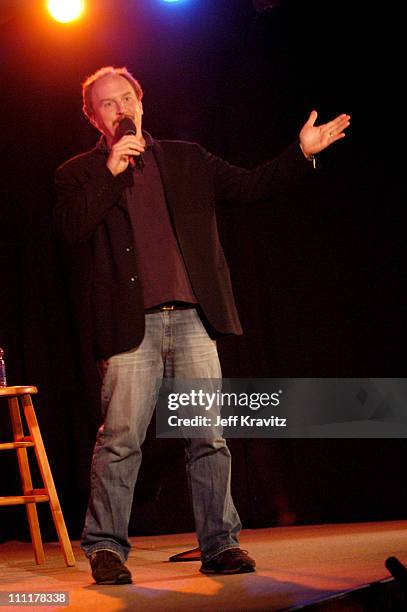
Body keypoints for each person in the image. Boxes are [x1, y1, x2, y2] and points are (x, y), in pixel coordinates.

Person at [54, 65, 350, 585]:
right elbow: (71, 229)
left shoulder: (187, 158)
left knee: (207, 436)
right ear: (93, 117)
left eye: (128, 98)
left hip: (192, 320)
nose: (121, 109)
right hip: (130, 328)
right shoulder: (79, 172)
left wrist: (301, 154)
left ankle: (220, 544)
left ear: (142, 103)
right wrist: (111, 171)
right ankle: (105, 547)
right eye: (108, 104)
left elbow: (251, 185)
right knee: (121, 438)